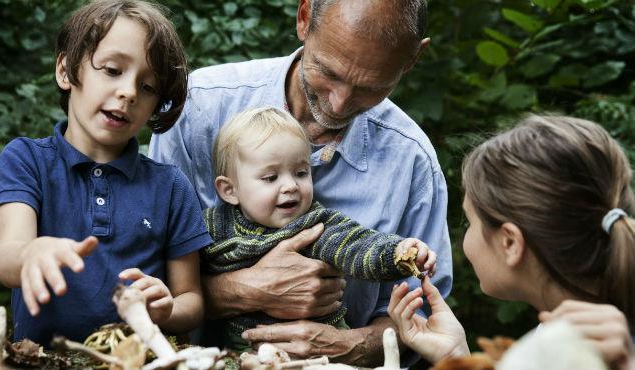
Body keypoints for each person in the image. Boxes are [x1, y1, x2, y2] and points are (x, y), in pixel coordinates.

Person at [149, 0, 452, 365]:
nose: (339, 105)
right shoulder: (197, 110)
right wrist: (246, 290)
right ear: (304, 18)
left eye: (370, 87)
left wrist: (352, 345)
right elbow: (141, 274)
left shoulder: (413, 161)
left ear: (411, 60)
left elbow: (424, 314)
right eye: (329, 72)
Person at [0, 0, 212, 346]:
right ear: (65, 70)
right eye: (111, 69)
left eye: (148, 87)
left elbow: (191, 300)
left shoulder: (170, 187)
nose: (129, 92)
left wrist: (168, 310)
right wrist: (30, 253)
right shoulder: (26, 159)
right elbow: (6, 258)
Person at [388, 115, 635, 370]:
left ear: (510, 243)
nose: (465, 238)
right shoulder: (563, 336)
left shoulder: (591, 352)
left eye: (469, 222)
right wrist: (454, 355)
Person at [202, 106, 437, 351]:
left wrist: (398, 254)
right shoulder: (213, 227)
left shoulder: (316, 226)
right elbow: (180, 270)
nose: (291, 186)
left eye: (301, 173)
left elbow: (358, 247)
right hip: (242, 352)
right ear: (230, 190)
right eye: (271, 178)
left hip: (320, 352)